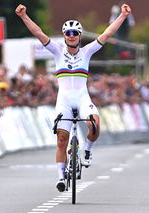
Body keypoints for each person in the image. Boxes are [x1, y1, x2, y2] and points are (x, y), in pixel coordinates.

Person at [15, 3, 132, 192]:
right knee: (61, 140)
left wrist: (123, 16)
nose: (71, 36)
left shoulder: (87, 52)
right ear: (64, 36)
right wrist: (24, 16)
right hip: (64, 101)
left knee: (94, 123)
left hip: (82, 98)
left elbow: (107, 34)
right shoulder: (57, 51)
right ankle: (61, 177)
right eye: (68, 33)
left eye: (74, 33)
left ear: (79, 36)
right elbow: (39, 33)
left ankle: (87, 150)